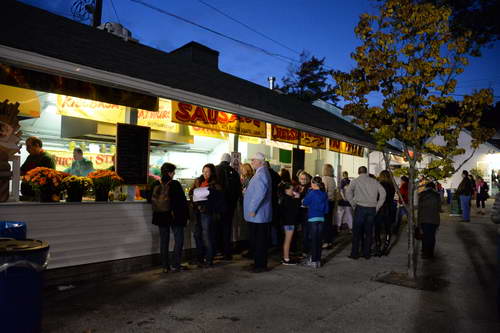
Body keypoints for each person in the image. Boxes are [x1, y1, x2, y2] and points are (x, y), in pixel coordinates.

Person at [151, 163, 189, 273]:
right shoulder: (175, 184)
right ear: (169, 173)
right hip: (174, 217)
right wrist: (186, 216)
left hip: (160, 216)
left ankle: (165, 266)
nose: (174, 174)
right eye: (173, 172)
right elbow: (182, 202)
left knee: (164, 241)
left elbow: (150, 199)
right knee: (178, 239)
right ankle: (175, 264)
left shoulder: (155, 184)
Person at [346, 166, 386, 259]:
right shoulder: (374, 181)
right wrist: (378, 206)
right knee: (368, 232)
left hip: (360, 208)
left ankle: (355, 253)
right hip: (371, 208)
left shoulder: (355, 181)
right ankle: (366, 253)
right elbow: (383, 193)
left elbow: (348, 193)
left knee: (357, 232)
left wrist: (353, 204)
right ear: (366, 172)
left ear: (358, 172)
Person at [243, 152, 272, 273]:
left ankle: (260, 265)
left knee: (259, 241)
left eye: (253, 160)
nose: (252, 162)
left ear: (260, 161)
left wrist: (253, 209)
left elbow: (260, 194)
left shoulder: (261, 174)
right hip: (259, 215)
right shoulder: (261, 173)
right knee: (258, 240)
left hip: (258, 215)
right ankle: (258, 263)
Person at [190, 163, 223, 267]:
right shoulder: (198, 181)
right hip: (197, 212)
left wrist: (207, 198)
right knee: (197, 234)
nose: (205, 173)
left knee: (206, 235)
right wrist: (193, 199)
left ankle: (209, 259)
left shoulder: (216, 184)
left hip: (208, 213)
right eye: (204, 171)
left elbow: (218, 200)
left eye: (207, 171)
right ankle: (200, 257)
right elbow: (191, 193)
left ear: (212, 172)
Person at [215, 153, 242, 260]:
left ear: (221, 159)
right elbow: (238, 190)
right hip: (230, 206)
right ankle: (227, 253)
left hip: (218, 206)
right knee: (227, 228)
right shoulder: (234, 172)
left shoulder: (216, 169)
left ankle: (218, 250)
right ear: (229, 161)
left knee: (217, 228)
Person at [302, 176, 330, 268]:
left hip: (312, 218)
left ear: (313, 184)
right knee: (319, 241)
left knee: (313, 240)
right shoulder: (324, 194)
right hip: (321, 219)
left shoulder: (312, 193)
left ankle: (313, 261)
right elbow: (326, 210)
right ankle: (318, 260)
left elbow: (305, 202)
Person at [374, 170, 396, 256]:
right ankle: (386, 247)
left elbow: (377, 197)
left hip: (380, 208)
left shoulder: (379, 185)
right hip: (389, 208)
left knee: (377, 229)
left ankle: (378, 247)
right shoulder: (392, 186)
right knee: (387, 229)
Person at [418, 182, 441, 259]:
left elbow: (419, 209)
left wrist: (418, 222)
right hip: (434, 219)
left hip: (424, 218)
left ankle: (424, 252)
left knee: (425, 236)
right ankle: (430, 253)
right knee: (432, 236)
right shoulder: (437, 195)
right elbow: (439, 208)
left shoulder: (422, 194)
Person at [279, 182, 301, 265]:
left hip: (286, 222)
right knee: (288, 240)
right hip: (289, 223)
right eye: (292, 189)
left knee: (287, 240)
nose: (293, 191)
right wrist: (297, 198)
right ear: (286, 190)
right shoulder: (288, 199)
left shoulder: (284, 198)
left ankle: (286, 257)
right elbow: (295, 210)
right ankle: (286, 259)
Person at [296, 171, 312, 255]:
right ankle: (300, 249)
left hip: (307, 212)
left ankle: (305, 250)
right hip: (299, 212)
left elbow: (307, 201)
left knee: (306, 232)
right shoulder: (297, 187)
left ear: (308, 179)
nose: (303, 180)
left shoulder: (309, 188)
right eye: (302, 179)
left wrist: (300, 198)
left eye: (305, 179)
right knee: (300, 232)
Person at [321, 164, 337, 249]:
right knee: (329, 222)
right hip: (332, 202)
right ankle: (329, 240)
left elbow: (324, 191)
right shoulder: (333, 180)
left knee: (325, 222)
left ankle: (326, 241)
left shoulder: (324, 179)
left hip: (326, 202)